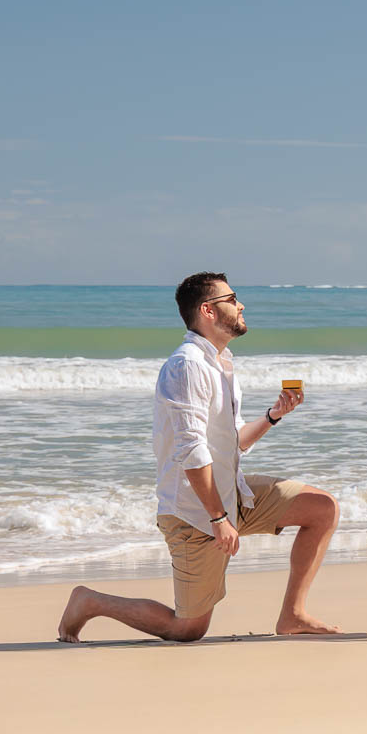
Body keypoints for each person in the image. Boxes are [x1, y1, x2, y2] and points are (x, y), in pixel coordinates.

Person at [58, 272, 341, 642]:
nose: (241, 305)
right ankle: (89, 601)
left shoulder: (220, 363)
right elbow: (191, 450)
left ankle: (293, 614)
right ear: (208, 310)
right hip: (195, 513)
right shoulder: (187, 365)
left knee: (322, 508)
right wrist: (219, 518)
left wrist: (273, 416)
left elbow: (233, 442)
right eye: (232, 299)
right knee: (188, 628)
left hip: (230, 495)